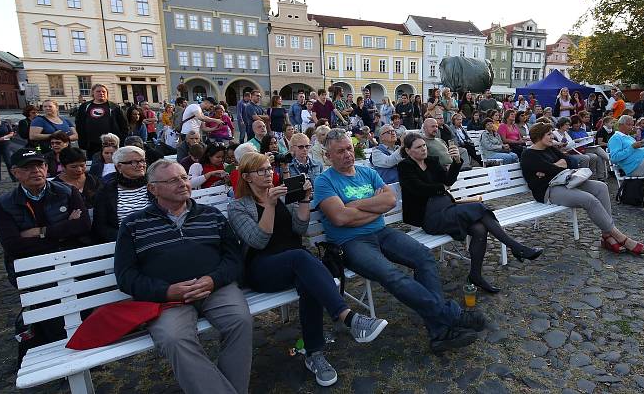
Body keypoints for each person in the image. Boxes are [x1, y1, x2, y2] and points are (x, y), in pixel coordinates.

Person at [314, 129, 486, 353]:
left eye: (349, 148)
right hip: (352, 242)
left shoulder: (367, 172)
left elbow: (390, 200)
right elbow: (340, 217)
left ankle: (439, 332)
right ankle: (450, 315)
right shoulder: (324, 181)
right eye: (340, 151)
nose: (347, 154)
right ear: (328, 156)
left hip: (382, 232)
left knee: (424, 257)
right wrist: (374, 207)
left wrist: (355, 206)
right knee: (391, 274)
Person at [228, 153, 387, 387]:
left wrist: (304, 200)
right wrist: (270, 206)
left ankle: (314, 354)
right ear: (247, 177)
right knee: (302, 258)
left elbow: (300, 229)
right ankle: (348, 318)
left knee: (308, 280)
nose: (268, 174)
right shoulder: (238, 207)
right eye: (260, 171)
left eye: (268, 168)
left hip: (297, 265)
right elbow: (258, 241)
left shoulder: (282, 197)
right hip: (263, 269)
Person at [114, 159, 251, 394]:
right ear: (153, 188)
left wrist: (213, 279)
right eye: (173, 180)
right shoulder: (133, 225)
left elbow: (234, 259)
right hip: (167, 299)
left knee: (240, 321)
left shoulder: (212, 216)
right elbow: (126, 276)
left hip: (215, 288)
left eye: (184, 178)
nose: (183, 184)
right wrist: (166, 291)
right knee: (174, 338)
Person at [398, 133, 542, 293]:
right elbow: (417, 188)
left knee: (480, 229)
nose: (423, 149)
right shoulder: (405, 166)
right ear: (409, 151)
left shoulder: (431, 161)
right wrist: (440, 188)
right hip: (430, 217)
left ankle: (475, 275)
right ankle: (515, 247)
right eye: (418, 147)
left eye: (424, 145)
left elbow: (448, 180)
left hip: (448, 209)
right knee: (479, 208)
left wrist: (457, 162)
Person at [0, 148, 96, 364]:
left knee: (84, 297)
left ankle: (84, 349)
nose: (36, 171)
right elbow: (14, 246)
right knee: (50, 307)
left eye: (39, 165)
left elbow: (83, 226)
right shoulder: (4, 204)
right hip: (32, 269)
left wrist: (40, 232)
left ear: (47, 167)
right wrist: (65, 227)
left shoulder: (66, 192)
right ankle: (61, 357)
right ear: (15, 173)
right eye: (28, 168)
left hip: (69, 261)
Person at [521, 123, 644, 255]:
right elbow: (554, 168)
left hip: (565, 180)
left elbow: (572, 162)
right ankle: (621, 238)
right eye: (549, 134)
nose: (552, 136)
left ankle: (606, 235)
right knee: (589, 200)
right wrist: (557, 165)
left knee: (601, 187)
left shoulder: (550, 149)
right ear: (539, 137)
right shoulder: (529, 155)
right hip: (548, 190)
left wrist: (552, 167)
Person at [92, 146, 153, 242]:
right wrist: (125, 238)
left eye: (142, 161)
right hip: (124, 242)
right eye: (134, 162)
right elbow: (100, 227)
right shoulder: (106, 191)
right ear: (119, 166)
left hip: (157, 236)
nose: (141, 165)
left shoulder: (155, 186)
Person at [75, 84, 128, 156]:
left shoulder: (114, 107)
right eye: (98, 91)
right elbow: (79, 124)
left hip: (111, 144)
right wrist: (82, 141)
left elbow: (123, 125)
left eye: (104, 91)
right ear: (93, 93)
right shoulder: (85, 107)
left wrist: (121, 140)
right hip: (92, 145)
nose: (101, 93)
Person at [53, 147, 102, 212]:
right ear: (63, 166)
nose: (79, 170)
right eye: (73, 167)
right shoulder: (55, 186)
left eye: (82, 165)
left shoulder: (94, 180)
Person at [568, 115, 610, 180]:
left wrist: (590, 138)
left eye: (579, 123)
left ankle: (600, 177)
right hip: (577, 149)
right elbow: (571, 143)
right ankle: (610, 160)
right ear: (572, 124)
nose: (578, 124)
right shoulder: (570, 132)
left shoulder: (582, 130)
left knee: (598, 156)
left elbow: (587, 139)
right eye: (576, 123)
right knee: (597, 149)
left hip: (585, 147)